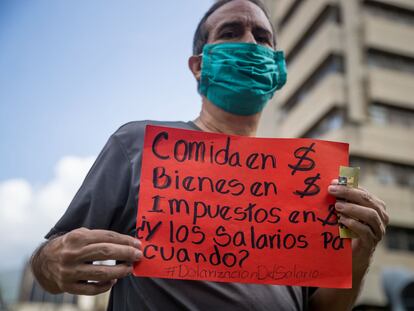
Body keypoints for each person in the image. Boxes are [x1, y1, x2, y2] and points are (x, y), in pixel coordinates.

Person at [31, 0, 389, 310]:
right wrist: (52, 262)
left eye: (262, 37)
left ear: (278, 70)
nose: (250, 43)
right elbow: (49, 261)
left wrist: (358, 257)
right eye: (231, 32)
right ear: (200, 66)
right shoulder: (137, 144)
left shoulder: (309, 180)